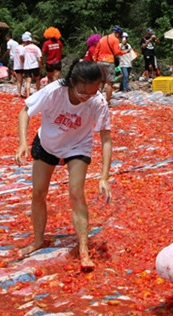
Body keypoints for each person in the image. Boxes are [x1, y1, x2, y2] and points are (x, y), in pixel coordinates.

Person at [15, 60, 112, 271]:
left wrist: (104, 177)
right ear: (71, 83)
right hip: (48, 143)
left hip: (77, 146)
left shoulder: (98, 101)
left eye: (94, 92)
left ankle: (84, 249)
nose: (88, 98)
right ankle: (38, 240)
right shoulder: (53, 91)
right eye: (83, 93)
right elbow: (25, 112)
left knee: (76, 192)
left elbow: (106, 138)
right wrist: (23, 142)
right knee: (38, 192)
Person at [94, 26, 125, 105]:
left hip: (100, 61)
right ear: (117, 33)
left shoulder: (102, 38)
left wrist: (96, 61)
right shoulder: (115, 40)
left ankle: (97, 100)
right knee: (110, 83)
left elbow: (96, 51)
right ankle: (108, 102)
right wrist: (125, 52)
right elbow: (116, 52)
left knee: (101, 81)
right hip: (109, 61)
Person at [19, 32, 42, 98]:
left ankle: (28, 95)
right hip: (35, 66)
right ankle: (38, 93)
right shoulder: (36, 48)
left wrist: (24, 62)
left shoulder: (24, 48)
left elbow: (21, 57)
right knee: (37, 79)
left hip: (27, 67)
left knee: (28, 81)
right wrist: (40, 67)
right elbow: (39, 59)